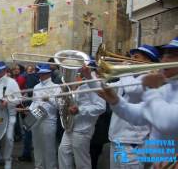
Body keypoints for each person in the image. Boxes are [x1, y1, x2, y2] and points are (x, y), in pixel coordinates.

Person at [98, 37, 178, 169]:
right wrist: (116, 102)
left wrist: (151, 91)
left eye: (172, 55)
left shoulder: (155, 84)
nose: (164, 60)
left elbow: (167, 122)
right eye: (164, 55)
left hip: (137, 146)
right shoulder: (166, 87)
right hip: (158, 161)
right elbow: (139, 115)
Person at [58, 63, 106, 169]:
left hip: (83, 128)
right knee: (63, 152)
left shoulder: (95, 83)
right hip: (71, 126)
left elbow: (101, 107)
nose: (78, 70)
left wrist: (80, 110)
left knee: (82, 162)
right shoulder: (81, 82)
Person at [29, 63, 61, 169]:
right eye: (40, 74)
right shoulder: (36, 87)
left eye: (43, 74)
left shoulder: (56, 87)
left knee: (49, 147)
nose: (41, 76)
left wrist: (50, 99)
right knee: (36, 145)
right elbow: (34, 102)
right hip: (36, 117)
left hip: (49, 120)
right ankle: (39, 166)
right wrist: (29, 110)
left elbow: (59, 106)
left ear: (49, 74)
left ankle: (51, 167)